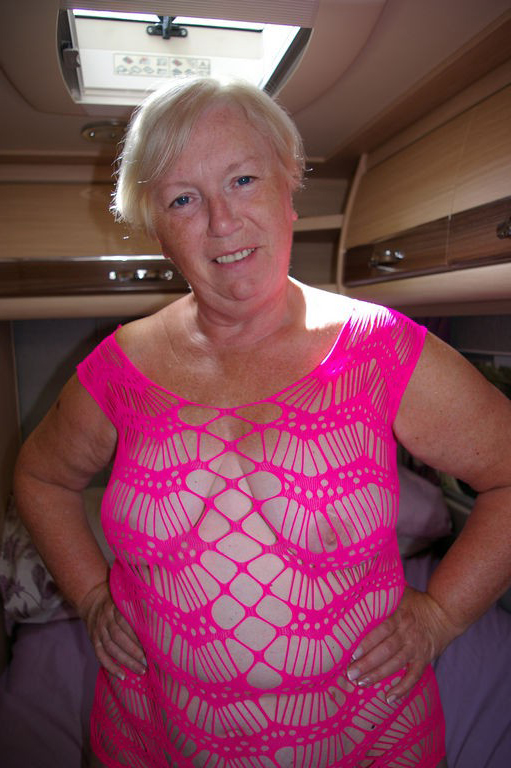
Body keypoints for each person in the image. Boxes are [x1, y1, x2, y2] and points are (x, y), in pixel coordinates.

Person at [13, 77, 511, 768]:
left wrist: (443, 614)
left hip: (366, 742)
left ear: (288, 185)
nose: (221, 221)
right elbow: (40, 477)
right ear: (159, 230)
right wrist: (94, 597)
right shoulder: (116, 371)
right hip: (151, 739)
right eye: (183, 199)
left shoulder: (382, 351)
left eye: (242, 180)